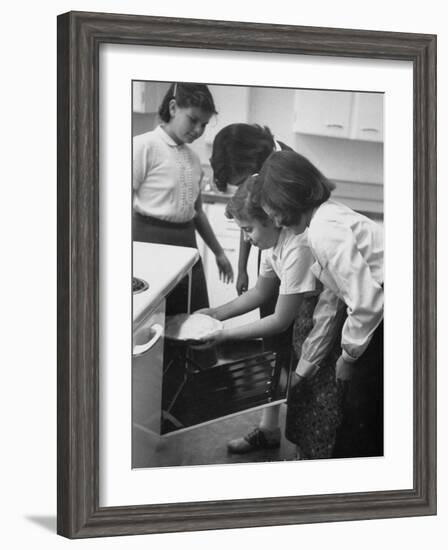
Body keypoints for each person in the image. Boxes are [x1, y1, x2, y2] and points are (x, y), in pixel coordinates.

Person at [259, 150, 384, 458]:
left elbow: (366, 301)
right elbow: (334, 297)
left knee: (362, 418)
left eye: (273, 209)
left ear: (288, 196)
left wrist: (349, 356)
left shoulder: (323, 229)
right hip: (384, 308)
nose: (273, 219)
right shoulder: (325, 217)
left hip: (391, 310)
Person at [197, 175, 326, 456]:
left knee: (309, 393)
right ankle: (283, 444)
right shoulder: (272, 244)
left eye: (248, 229)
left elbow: (280, 320)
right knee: (296, 384)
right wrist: (216, 314)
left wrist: (222, 335)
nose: (245, 237)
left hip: (329, 320)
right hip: (307, 317)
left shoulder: (297, 247)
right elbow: (259, 292)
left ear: (272, 220)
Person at [209, 124, 294, 453]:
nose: (242, 182)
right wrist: (244, 266)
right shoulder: (257, 171)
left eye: (242, 176)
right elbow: (248, 218)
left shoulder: (285, 168)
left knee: (289, 344)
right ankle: (269, 428)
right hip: (272, 254)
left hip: (295, 260)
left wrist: (226, 332)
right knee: (273, 345)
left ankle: (287, 434)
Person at [133, 82, 233, 314]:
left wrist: (219, 252)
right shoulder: (143, 146)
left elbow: (196, 213)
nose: (198, 130)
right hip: (149, 243)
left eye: (204, 124)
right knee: (154, 318)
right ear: (173, 107)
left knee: (192, 316)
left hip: (187, 244)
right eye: (193, 120)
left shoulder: (193, 159)